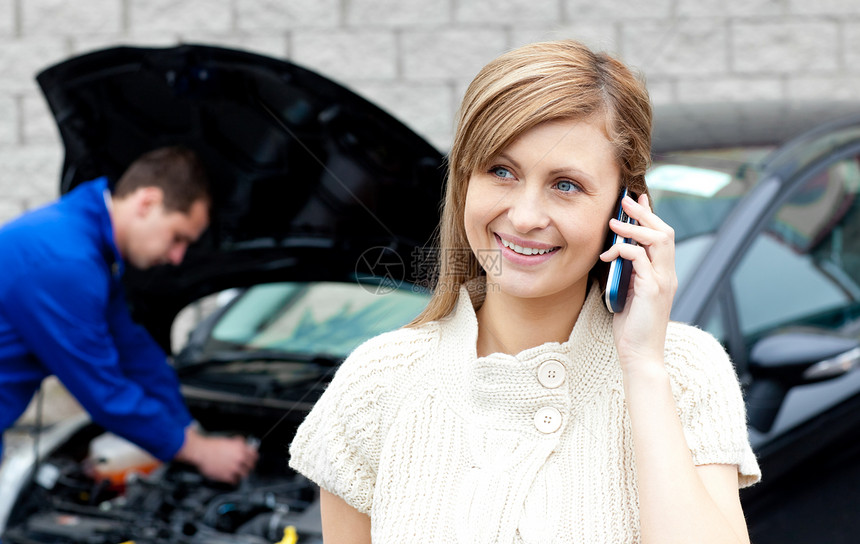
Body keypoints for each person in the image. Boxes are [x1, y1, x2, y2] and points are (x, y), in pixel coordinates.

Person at [288, 40, 761, 542]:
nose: (525, 217)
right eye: (501, 171)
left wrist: (642, 363)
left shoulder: (684, 372)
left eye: (566, 185)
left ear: (625, 211)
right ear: (465, 180)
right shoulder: (375, 383)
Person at [0, 146, 258, 484]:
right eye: (177, 237)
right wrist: (196, 450)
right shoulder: (66, 263)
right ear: (147, 202)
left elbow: (134, 350)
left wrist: (188, 427)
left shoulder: (87, 246)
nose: (178, 257)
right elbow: (102, 389)